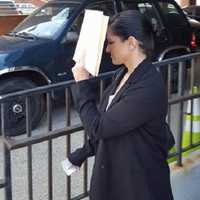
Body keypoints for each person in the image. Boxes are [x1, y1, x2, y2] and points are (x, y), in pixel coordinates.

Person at [63, 10, 174, 200]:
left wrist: (82, 83)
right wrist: (80, 155)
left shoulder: (148, 86)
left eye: (111, 42)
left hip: (140, 186)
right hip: (117, 176)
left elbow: (99, 127)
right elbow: (109, 121)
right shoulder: (123, 74)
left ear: (131, 43)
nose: (107, 49)